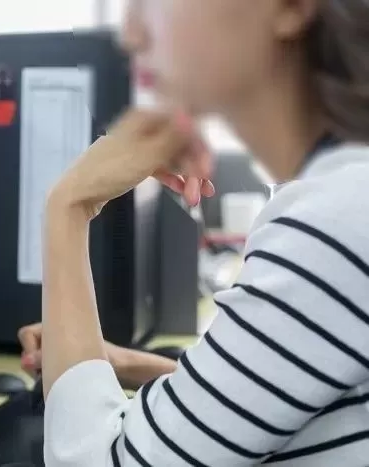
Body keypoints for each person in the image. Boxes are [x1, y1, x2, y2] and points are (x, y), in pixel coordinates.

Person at [18, 0, 369, 465]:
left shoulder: (332, 220)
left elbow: (93, 461)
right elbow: (314, 411)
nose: (132, 34)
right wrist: (130, 365)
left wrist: (68, 205)